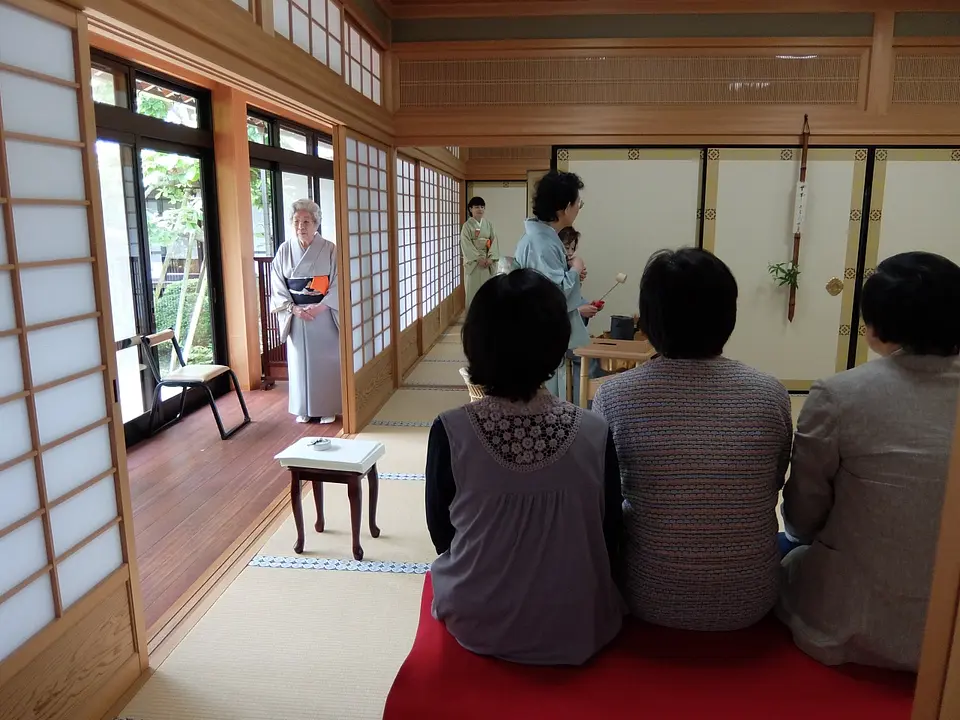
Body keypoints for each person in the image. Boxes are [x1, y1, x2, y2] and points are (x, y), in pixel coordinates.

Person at [426, 269, 625, 666]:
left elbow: (443, 534)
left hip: (476, 620)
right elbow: (609, 533)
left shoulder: (452, 431)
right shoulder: (594, 431)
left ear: (475, 343)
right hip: (579, 622)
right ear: (555, 344)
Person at [592, 248, 792, 632]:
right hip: (751, 598)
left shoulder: (615, 396)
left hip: (646, 594)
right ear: (729, 316)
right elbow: (773, 483)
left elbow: (606, 504)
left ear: (647, 321)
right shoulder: (770, 394)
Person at [778, 251, 960, 672]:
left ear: (876, 326)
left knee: (786, 558)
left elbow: (804, 513)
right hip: (950, 636)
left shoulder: (840, 395)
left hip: (854, 623)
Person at [514, 171, 593, 397]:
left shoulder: (544, 237)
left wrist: (571, 272)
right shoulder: (541, 241)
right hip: (539, 330)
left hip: (539, 328)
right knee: (544, 394)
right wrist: (575, 269)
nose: (579, 208)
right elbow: (554, 294)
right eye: (579, 203)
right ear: (565, 207)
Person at [270, 199, 341, 424]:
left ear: (316, 224)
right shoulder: (284, 250)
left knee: (326, 360)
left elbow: (339, 282)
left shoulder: (330, 249)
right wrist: (293, 309)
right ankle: (303, 408)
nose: (301, 225)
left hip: (324, 313)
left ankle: (327, 406)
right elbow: (278, 284)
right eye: (296, 221)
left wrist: (321, 306)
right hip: (297, 314)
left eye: (306, 221)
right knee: (299, 362)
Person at [558, 226, 605, 401]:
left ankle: (587, 405)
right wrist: (579, 311)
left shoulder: (566, 268)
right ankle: (585, 406)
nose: (569, 253)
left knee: (594, 352)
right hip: (553, 337)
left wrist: (587, 307)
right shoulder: (558, 269)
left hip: (566, 332)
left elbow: (572, 300)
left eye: (572, 248)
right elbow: (553, 308)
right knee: (588, 359)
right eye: (565, 247)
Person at [460, 196, 499, 308]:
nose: (480, 209)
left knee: (488, 292)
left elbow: (494, 241)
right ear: (470, 209)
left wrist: (491, 258)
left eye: (482, 207)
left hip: (487, 263)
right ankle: (473, 322)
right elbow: (466, 244)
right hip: (474, 264)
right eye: (476, 207)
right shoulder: (466, 226)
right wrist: (478, 258)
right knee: (473, 293)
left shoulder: (488, 224)